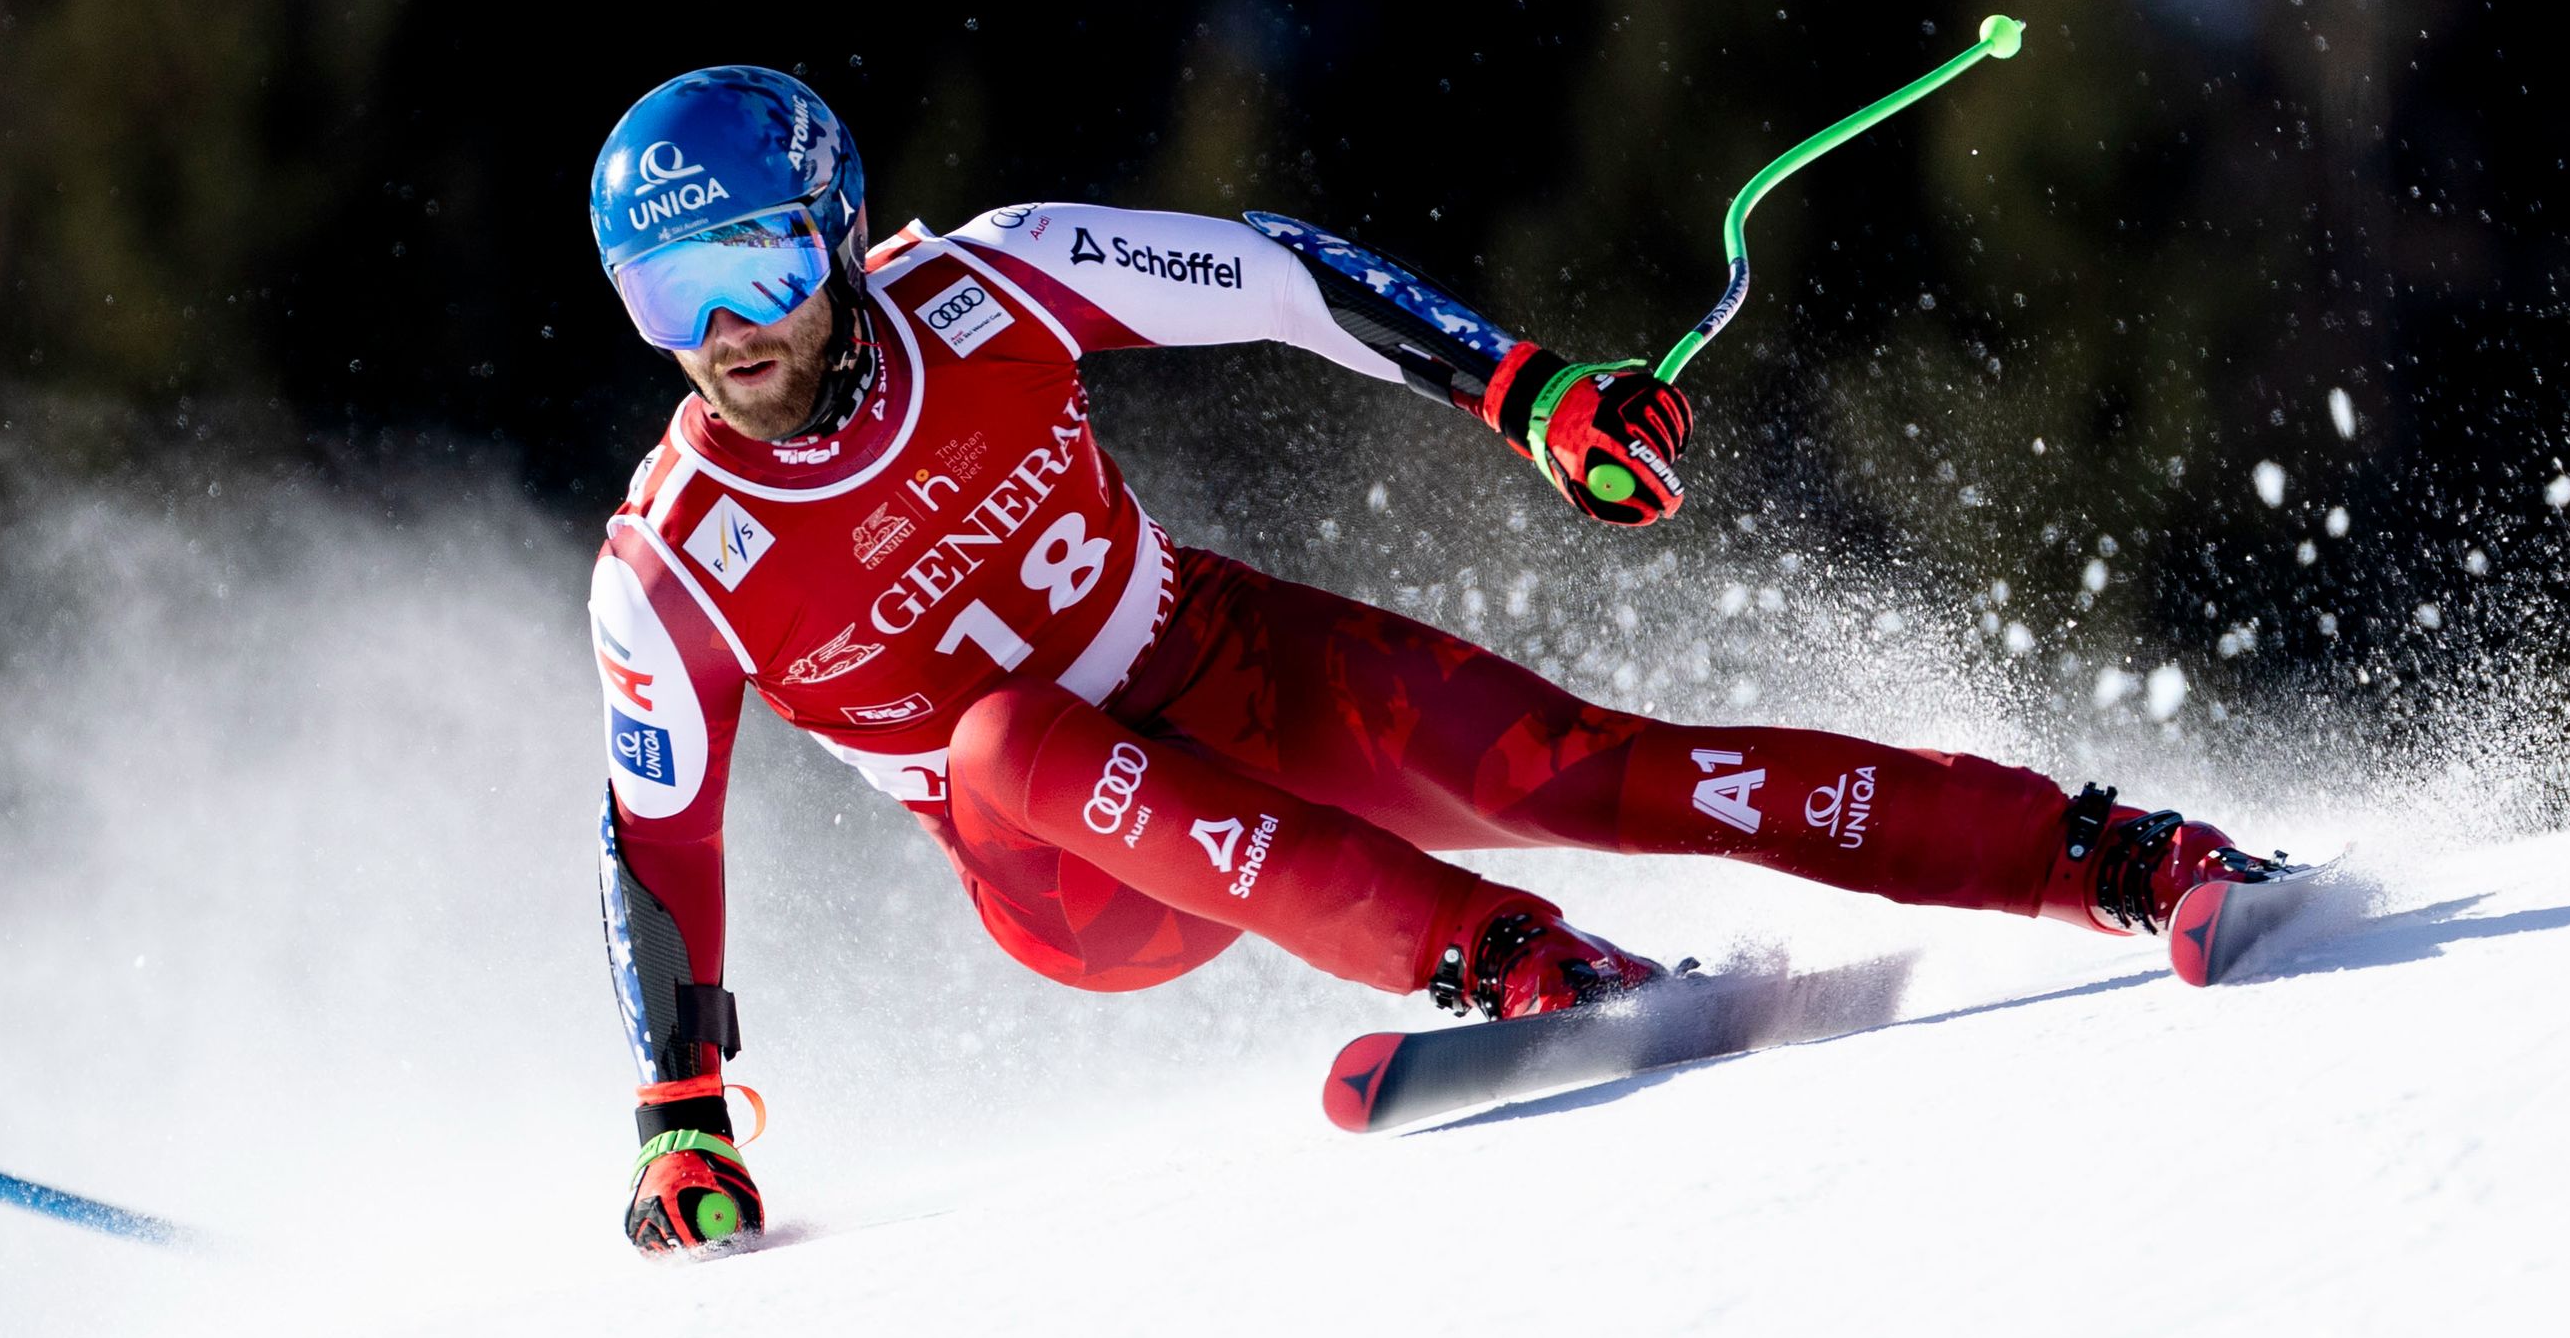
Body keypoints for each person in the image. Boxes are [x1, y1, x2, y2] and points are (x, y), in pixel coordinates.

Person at [587, 65, 2272, 1255]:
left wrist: (1532, 395)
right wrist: (683, 1113)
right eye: (669, 292)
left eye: (761, 263)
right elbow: (659, 838)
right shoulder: (670, 564)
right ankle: (1517, 966)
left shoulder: (994, 281)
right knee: (1002, 735)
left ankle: (2113, 851)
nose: (727, 328)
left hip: (1223, 664)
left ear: (837, 230)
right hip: (1075, 869)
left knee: (1596, 765)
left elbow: (1280, 276)